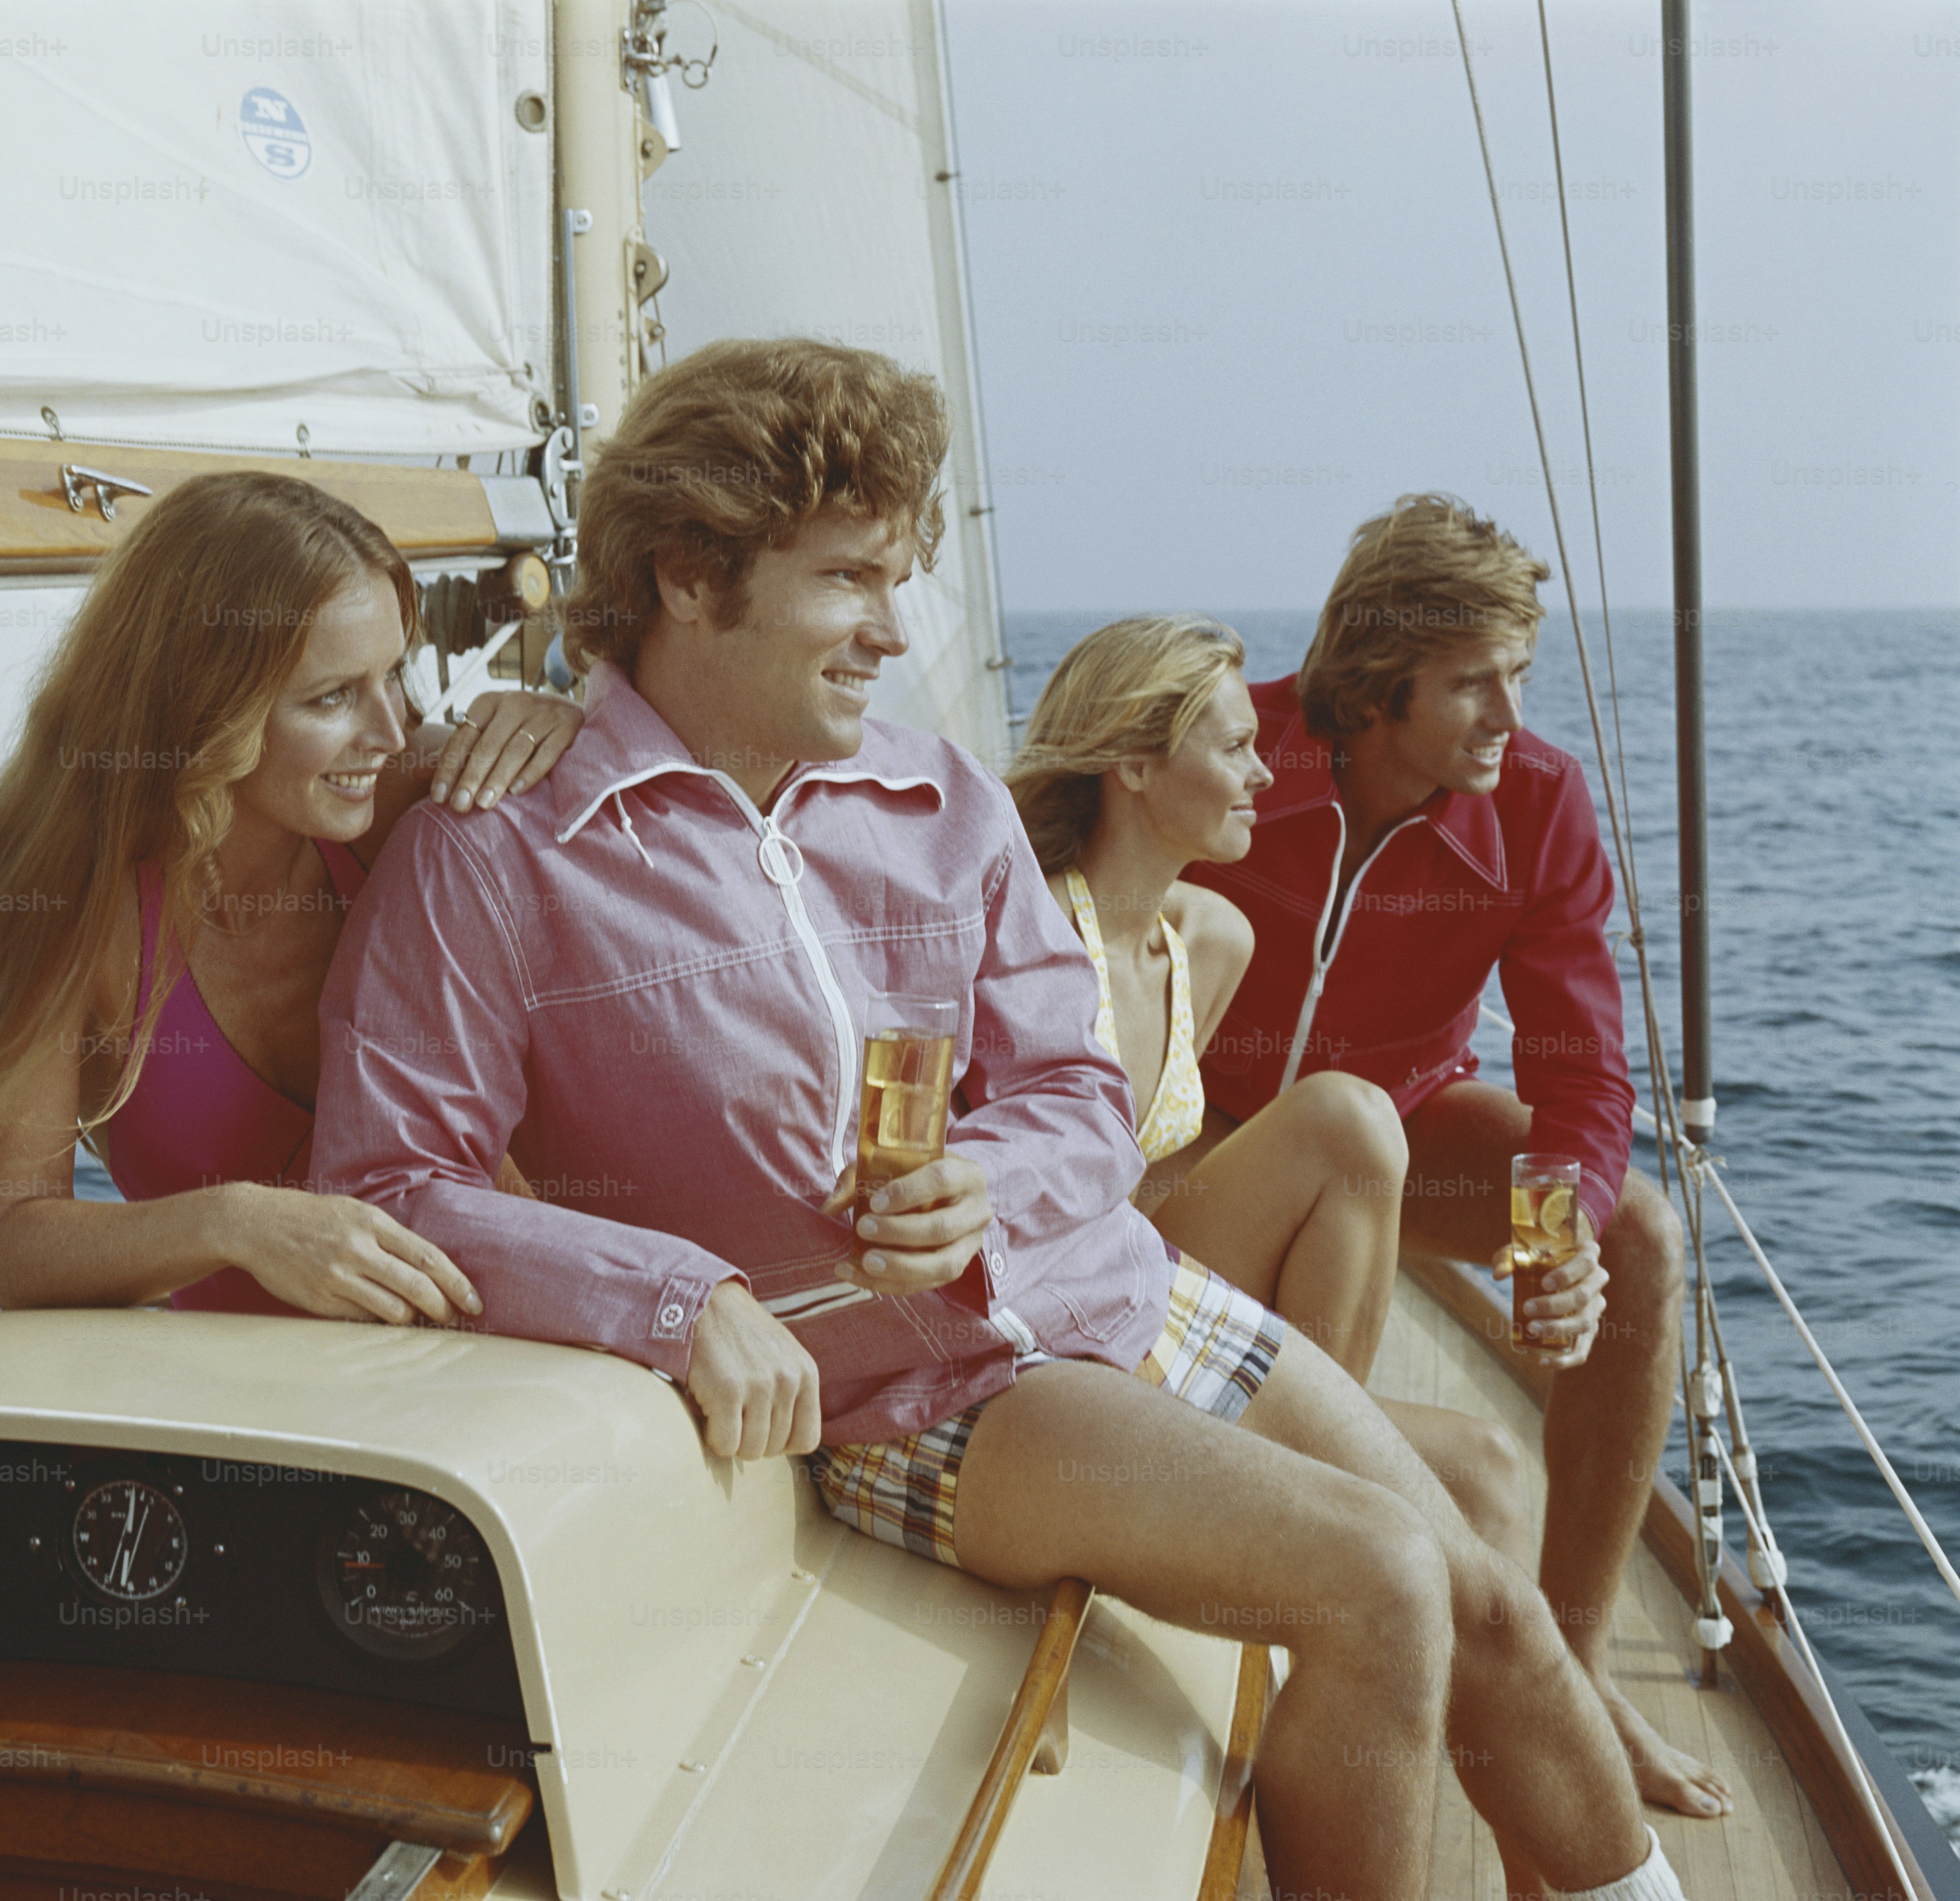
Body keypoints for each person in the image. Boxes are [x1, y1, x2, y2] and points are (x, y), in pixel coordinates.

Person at [314, 339, 1688, 1901]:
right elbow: (394, 1181)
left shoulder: (937, 798)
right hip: (918, 1385)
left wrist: (984, 1175)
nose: (892, 631)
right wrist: (676, 1295)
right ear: (690, 577)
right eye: (847, 579)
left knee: (1486, 1602)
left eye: (899, 578)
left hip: (1111, 1281)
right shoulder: (504, 845)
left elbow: (1078, 1093)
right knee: (1380, 1580)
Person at [1177, 492, 1728, 1819]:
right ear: (1374, 683)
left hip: (1403, 1134)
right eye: (1471, 681)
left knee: (1635, 1234)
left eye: (1518, 677)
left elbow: (1579, 1066)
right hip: (1195, 1136)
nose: (1506, 713)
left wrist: (1555, 1230)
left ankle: (1573, 1664)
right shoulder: (1222, 744)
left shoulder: (1533, 803)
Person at [0, 471, 581, 1322]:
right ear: (205, 704)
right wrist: (238, 1223)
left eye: (393, 675)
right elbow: (11, 1239)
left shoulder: (408, 797)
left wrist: (563, 730)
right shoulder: (53, 896)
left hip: (531, 1362)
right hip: (257, 1417)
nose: (389, 731)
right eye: (332, 697)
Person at [1005, 613, 1538, 1565]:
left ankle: (1333, 1477)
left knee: (1493, 1467)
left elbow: (1147, 1180)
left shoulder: (1210, 941)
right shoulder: (1028, 932)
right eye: (1239, 749)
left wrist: (1551, 1237)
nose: (1265, 776)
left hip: (1137, 1291)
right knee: (1349, 1118)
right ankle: (1332, 1489)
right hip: (1047, 1341)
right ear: (1131, 762)